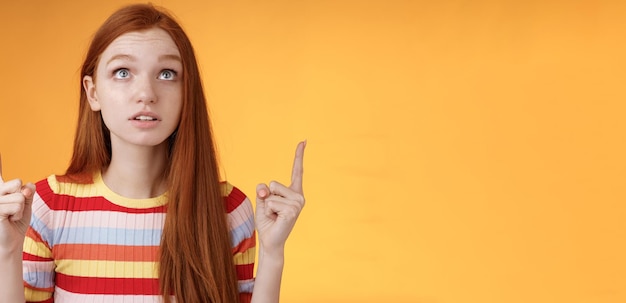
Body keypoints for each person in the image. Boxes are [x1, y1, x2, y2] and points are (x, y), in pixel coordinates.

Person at [0, 3, 306, 303]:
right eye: (122, 72)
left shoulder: (229, 210)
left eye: (167, 74)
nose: (146, 93)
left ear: (188, 92)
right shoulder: (48, 207)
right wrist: (7, 252)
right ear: (93, 92)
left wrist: (273, 253)